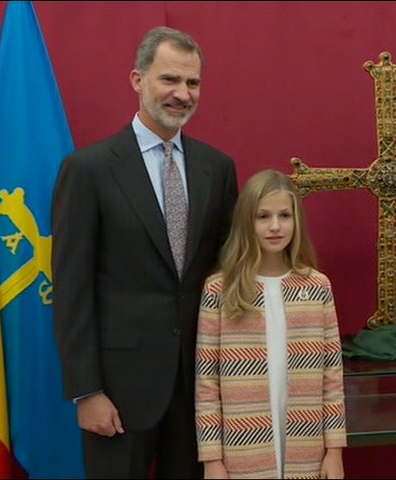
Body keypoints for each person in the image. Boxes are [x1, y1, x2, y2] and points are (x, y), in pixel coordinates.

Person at [53, 26, 238, 478]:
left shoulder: (218, 168)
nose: (182, 93)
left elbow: (229, 270)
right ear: (138, 80)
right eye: (169, 79)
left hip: (200, 389)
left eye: (192, 83)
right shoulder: (89, 170)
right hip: (117, 394)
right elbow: (71, 287)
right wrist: (87, 391)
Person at [194, 169, 346, 479]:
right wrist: (212, 460)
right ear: (247, 222)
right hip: (241, 452)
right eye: (263, 216)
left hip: (308, 448)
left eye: (284, 215)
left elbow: (332, 376)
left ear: (297, 220)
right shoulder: (219, 290)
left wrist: (334, 451)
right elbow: (206, 382)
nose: (275, 226)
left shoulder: (317, 287)